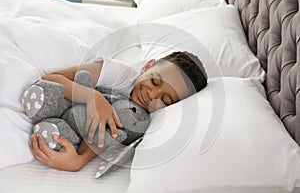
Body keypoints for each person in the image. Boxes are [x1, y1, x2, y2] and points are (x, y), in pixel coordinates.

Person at [29, 51, 208, 171]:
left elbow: (108, 135)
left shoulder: (146, 119)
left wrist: (79, 161)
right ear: (147, 66)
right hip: (70, 103)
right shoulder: (120, 74)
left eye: (165, 100)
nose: (152, 95)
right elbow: (51, 79)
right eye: (154, 81)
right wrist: (93, 98)